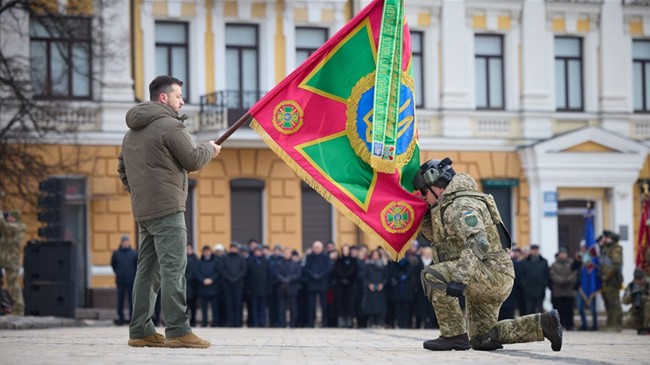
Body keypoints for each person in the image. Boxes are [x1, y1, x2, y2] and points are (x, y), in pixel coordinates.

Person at [414, 157, 562, 351]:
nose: (423, 196)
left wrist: (459, 278)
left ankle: (453, 335)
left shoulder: (460, 205)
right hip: (490, 274)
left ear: (438, 186)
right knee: (482, 338)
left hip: (490, 273)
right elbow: (439, 238)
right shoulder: (449, 204)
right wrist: (426, 216)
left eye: (424, 191)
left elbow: (479, 240)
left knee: (432, 274)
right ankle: (544, 324)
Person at [117, 75, 220, 348]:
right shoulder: (170, 126)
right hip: (169, 210)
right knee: (174, 269)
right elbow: (193, 159)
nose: (182, 101)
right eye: (178, 96)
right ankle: (178, 330)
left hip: (144, 211)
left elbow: (122, 171)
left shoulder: (130, 134)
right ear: (163, 98)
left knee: (147, 272)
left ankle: (140, 330)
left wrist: (141, 193)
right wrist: (210, 149)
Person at [0, 209, 25, 316]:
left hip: (11, 261)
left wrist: (0, 215)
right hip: (4, 259)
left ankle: (18, 309)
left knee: (13, 285)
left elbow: (5, 226)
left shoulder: (18, 227)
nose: (8, 218)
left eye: (10, 217)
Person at [598, 230, 623, 332]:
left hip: (612, 279)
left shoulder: (616, 249)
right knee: (608, 302)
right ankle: (610, 323)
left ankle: (616, 324)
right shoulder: (607, 248)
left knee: (614, 303)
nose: (605, 239)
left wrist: (606, 276)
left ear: (612, 239)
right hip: (605, 279)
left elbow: (615, 264)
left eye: (607, 238)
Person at [111, 235, 138, 325]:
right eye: (124, 241)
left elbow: (137, 266)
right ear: (122, 242)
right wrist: (119, 273)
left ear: (129, 242)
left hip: (131, 280)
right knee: (120, 300)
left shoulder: (134, 253)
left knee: (132, 300)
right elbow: (113, 265)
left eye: (127, 241)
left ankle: (132, 318)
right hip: (120, 280)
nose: (126, 243)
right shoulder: (116, 253)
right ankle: (120, 318)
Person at [303, 240, 331, 327]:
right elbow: (306, 268)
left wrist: (320, 275)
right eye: (315, 247)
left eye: (319, 247)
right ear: (313, 248)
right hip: (312, 283)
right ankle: (311, 322)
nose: (317, 249)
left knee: (324, 305)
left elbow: (328, 269)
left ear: (322, 248)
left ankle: (325, 323)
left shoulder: (326, 257)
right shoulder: (309, 257)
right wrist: (314, 275)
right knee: (311, 305)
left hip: (322, 283)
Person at [219, 243, 247, 327]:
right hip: (227, 285)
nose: (233, 249)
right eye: (232, 248)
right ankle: (230, 321)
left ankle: (238, 322)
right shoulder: (225, 258)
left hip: (238, 285)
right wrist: (229, 278)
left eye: (235, 248)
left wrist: (236, 278)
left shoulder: (241, 258)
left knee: (238, 304)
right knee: (229, 304)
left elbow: (244, 270)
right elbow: (222, 270)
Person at [549, 247, 577, 330]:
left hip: (569, 291)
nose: (562, 255)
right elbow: (552, 275)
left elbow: (575, 273)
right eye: (561, 253)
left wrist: (568, 280)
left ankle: (570, 325)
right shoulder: (554, 264)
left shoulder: (572, 263)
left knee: (569, 310)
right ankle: (559, 325)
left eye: (564, 253)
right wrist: (562, 280)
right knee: (559, 310)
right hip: (558, 291)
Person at [275, 248, 302, 328]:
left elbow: (298, 274)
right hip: (281, 287)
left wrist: (289, 279)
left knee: (293, 307)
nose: (287, 254)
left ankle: (293, 323)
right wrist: (283, 280)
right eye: (285, 253)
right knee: (281, 307)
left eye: (288, 253)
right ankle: (282, 323)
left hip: (292, 287)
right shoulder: (279, 263)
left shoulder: (295, 264)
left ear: (291, 254)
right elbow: (277, 274)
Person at [361, 249, 388, 328]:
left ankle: (380, 322)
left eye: (377, 255)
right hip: (371, 288)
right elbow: (364, 277)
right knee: (371, 307)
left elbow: (386, 277)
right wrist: (368, 284)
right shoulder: (367, 265)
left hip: (380, 289)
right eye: (374, 255)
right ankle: (371, 322)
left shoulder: (383, 266)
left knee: (380, 307)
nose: (375, 256)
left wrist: (382, 284)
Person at [333, 244, 359, 328]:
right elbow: (336, 271)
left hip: (350, 285)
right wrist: (342, 278)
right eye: (344, 250)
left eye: (347, 250)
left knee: (350, 303)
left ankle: (349, 321)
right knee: (340, 303)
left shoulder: (353, 261)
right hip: (340, 285)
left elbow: (354, 272)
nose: (345, 251)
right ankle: (341, 321)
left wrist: (348, 279)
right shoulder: (338, 261)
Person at [246, 246, 272, 327]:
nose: (258, 253)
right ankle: (255, 322)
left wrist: (269, 288)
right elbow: (247, 276)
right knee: (254, 306)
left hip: (264, 288)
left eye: (259, 251)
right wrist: (248, 288)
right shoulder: (250, 261)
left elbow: (269, 275)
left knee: (263, 307)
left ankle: (262, 322)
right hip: (253, 288)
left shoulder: (266, 261)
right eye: (256, 251)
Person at [521, 244, 550, 314]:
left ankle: (540, 324)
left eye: (536, 250)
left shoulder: (544, 261)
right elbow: (522, 275)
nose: (535, 251)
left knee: (540, 309)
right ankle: (531, 324)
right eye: (533, 250)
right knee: (530, 310)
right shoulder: (525, 262)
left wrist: (544, 285)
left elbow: (547, 274)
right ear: (531, 251)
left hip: (540, 289)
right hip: (529, 290)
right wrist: (525, 286)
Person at [622, 268, 650, 334]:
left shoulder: (648, 284)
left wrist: (644, 297)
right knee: (627, 322)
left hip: (648, 308)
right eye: (637, 280)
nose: (638, 282)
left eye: (640, 279)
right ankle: (640, 328)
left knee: (648, 305)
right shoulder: (631, 286)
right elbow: (624, 301)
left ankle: (646, 327)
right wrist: (632, 295)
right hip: (637, 309)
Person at [197, 245, 219, 327]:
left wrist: (212, 279)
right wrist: (203, 280)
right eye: (205, 251)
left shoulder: (216, 261)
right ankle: (204, 322)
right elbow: (197, 273)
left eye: (208, 251)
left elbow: (218, 272)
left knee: (214, 307)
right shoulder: (199, 262)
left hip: (214, 287)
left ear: (211, 252)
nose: (206, 252)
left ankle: (215, 322)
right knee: (204, 307)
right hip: (203, 287)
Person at [185, 244, 199, 327]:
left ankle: (193, 321)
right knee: (185, 306)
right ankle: (186, 322)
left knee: (194, 305)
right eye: (187, 248)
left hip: (194, 286)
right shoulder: (182, 258)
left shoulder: (196, 259)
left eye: (189, 248)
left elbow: (198, 271)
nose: (188, 250)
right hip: (185, 286)